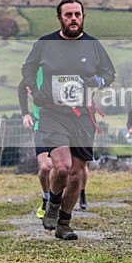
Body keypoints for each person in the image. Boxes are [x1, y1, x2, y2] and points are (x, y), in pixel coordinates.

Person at [21, 0, 115, 240]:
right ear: (60, 18)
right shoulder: (45, 43)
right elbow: (27, 69)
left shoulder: (93, 45)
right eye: (68, 15)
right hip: (53, 113)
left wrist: (99, 81)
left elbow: (109, 72)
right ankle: (52, 203)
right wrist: (35, 90)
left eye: (77, 14)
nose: (73, 19)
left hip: (83, 116)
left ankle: (64, 222)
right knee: (60, 167)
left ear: (83, 17)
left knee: (76, 172)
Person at [19, 76, 90, 217]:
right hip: (43, 125)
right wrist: (25, 114)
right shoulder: (40, 70)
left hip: (68, 126)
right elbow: (22, 87)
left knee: (66, 169)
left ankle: (59, 204)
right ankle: (47, 198)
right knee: (46, 166)